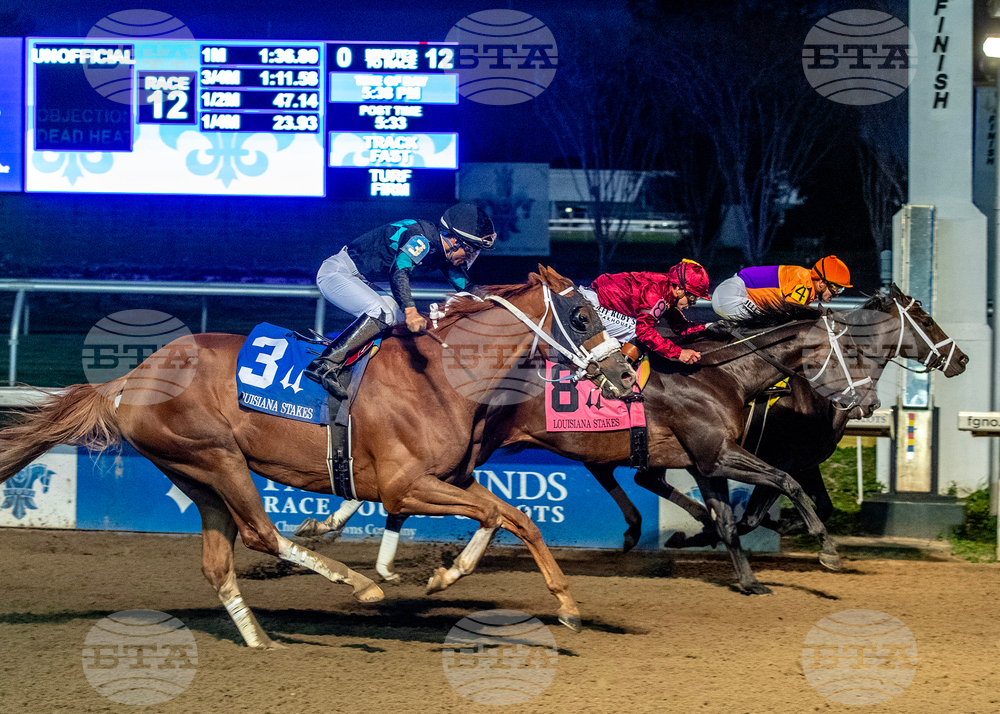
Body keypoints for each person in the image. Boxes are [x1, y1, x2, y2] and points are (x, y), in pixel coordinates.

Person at [305, 202, 497, 398]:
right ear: (455, 241)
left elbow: (468, 287)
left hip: (356, 277)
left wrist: (499, 302)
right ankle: (324, 364)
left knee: (396, 319)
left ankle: (373, 371)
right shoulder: (422, 240)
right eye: (471, 251)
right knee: (383, 312)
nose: (470, 258)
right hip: (336, 273)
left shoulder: (443, 250)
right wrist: (411, 310)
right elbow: (399, 273)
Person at [579, 259, 712, 365]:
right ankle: (620, 381)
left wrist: (709, 327)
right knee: (634, 330)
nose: (689, 305)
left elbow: (680, 327)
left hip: (597, 302)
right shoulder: (656, 294)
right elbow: (644, 332)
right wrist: (679, 353)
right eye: (692, 299)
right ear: (679, 289)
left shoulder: (667, 291)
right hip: (591, 306)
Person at [711, 255, 852, 320]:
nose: (837, 294)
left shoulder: (805, 283)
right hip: (733, 294)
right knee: (767, 325)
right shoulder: (804, 284)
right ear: (821, 283)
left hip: (731, 293)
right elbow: (792, 313)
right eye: (836, 289)